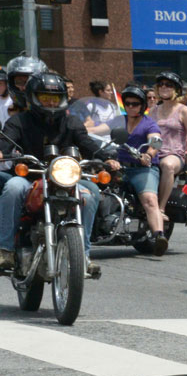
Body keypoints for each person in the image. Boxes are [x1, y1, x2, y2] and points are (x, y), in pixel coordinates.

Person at [0, 72, 119, 274]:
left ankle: (84, 254)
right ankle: (6, 250)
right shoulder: (19, 121)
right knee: (12, 188)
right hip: (29, 177)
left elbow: (86, 143)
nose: (51, 102)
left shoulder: (71, 122)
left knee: (91, 194)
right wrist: (2, 151)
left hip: (66, 179)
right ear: (33, 97)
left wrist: (105, 157)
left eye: (55, 98)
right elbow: (6, 141)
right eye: (45, 97)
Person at [114, 83, 170, 255]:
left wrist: (149, 154)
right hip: (118, 167)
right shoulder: (118, 121)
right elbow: (97, 129)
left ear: (142, 105)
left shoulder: (149, 123)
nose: (131, 107)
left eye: (135, 104)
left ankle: (158, 236)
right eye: (128, 104)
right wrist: (83, 128)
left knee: (149, 199)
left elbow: (156, 140)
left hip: (142, 168)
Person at [151, 71, 187, 212]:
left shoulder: (184, 111)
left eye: (169, 85)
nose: (164, 87)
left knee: (167, 165)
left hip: (174, 155)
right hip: (153, 153)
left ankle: (161, 208)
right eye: (161, 84)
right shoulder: (153, 110)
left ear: (177, 90)